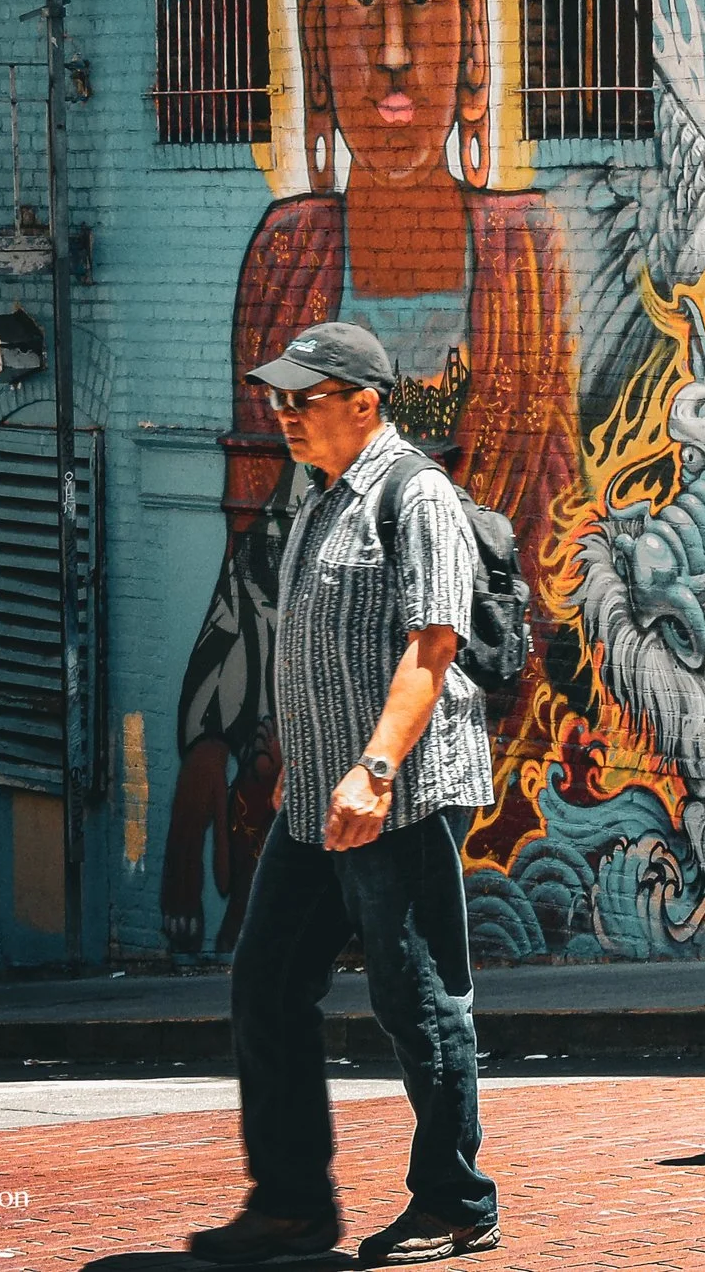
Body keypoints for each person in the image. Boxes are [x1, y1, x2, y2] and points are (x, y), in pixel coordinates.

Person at [162, 0, 583, 957]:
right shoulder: (287, 256)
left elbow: (540, 563)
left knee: (423, 974)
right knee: (285, 981)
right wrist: (207, 751)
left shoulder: (526, 256)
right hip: (310, 745)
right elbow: (254, 562)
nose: (393, 44)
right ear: (305, 6)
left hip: (468, 740)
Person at [188, 321, 501, 1267]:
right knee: (267, 981)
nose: (283, 413)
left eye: (304, 398)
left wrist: (375, 767)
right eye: (278, 398)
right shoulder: (322, 498)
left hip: (397, 794)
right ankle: (291, 1204)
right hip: (319, 802)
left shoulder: (415, 495)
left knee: (418, 999)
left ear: (365, 402)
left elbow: (432, 645)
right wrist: (302, 761)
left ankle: (454, 1201)